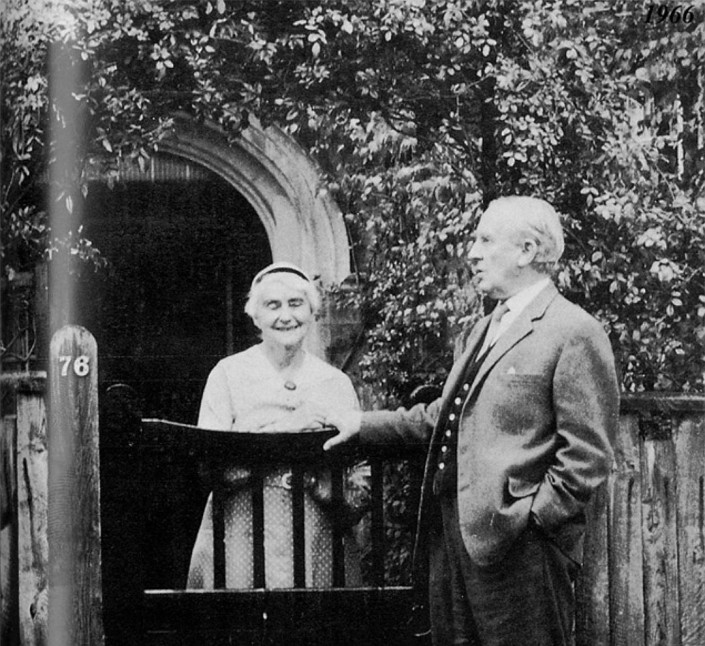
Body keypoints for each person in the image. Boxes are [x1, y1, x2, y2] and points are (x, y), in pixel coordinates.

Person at [324, 196, 619, 645]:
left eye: (485, 241)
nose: (472, 253)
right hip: (453, 541)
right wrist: (363, 424)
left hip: (521, 550)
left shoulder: (573, 330)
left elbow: (588, 455)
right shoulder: (483, 328)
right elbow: (445, 416)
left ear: (526, 251)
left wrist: (534, 521)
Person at [187, 261, 367, 589]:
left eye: (296, 304)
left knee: (315, 617)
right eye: (273, 305)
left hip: (316, 535)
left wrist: (323, 486)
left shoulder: (335, 383)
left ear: (312, 312)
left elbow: (360, 471)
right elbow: (208, 462)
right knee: (242, 616)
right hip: (241, 533)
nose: (286, 316)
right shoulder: (228, 375)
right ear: (255, 316)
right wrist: (291, 427)